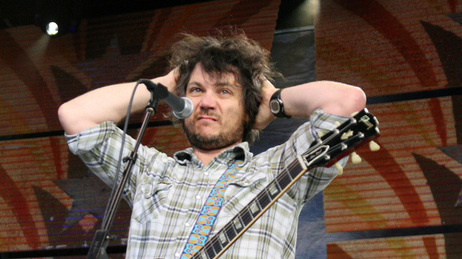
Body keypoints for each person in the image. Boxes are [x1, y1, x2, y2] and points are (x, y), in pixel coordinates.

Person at [58, 32, 366, 258]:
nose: (206, 102)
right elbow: (75, 116)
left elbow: (347, 102)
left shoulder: (278, 168)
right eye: (195, 90)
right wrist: (167, 84)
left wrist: (273, 101)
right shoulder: (151, 171)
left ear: (248, 107)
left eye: (224, 91)